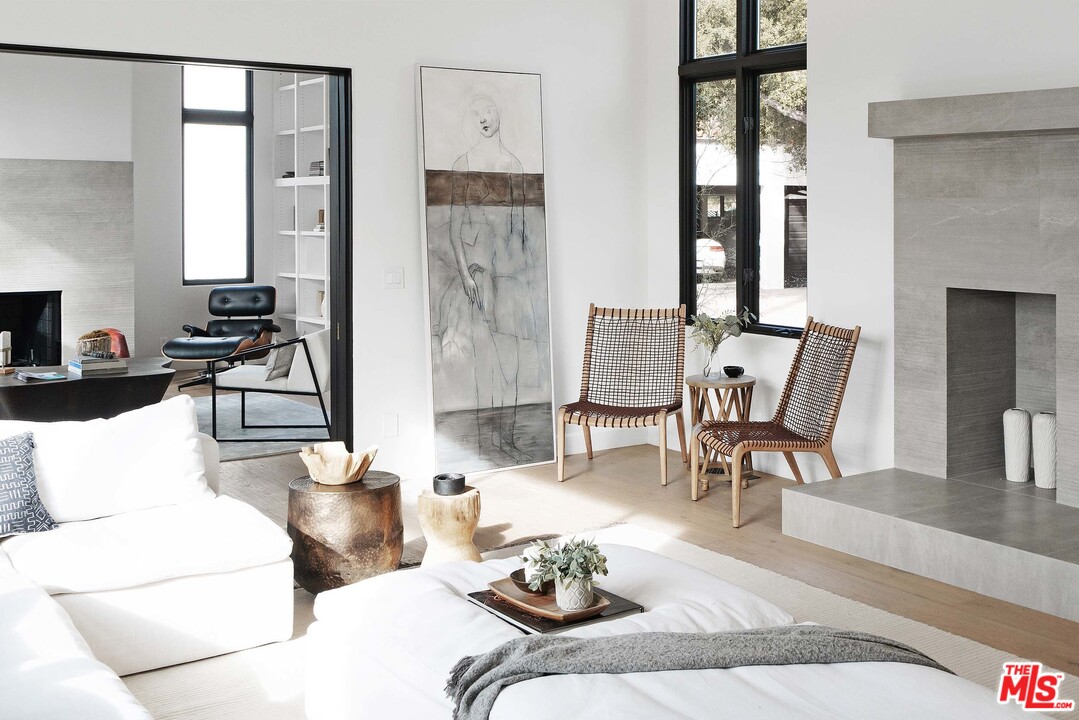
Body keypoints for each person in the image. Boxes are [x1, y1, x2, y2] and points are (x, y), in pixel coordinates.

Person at [447, 87, 538, 463]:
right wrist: (466, 276)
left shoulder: (515, 166)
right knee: (486, 356)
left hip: (510, 278)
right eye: (476, 114)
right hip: (480, 276)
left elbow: (521, 228)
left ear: (498, 113)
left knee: (512, 358)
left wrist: (524, 273)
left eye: (487, 111)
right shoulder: (463, 165)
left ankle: (509, 436)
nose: (483, 119)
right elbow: (454, 230)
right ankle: (488, 442)